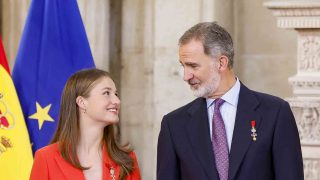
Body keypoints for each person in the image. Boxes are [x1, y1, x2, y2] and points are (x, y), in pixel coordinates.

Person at [157, 22, 303, 180]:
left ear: (221, 63)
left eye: (193, 66)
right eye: (183, 66)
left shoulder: (275, 113)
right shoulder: (174, 125)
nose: (186, 76)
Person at [30, 68, 141, 180]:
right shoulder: (46, 158)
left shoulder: (127, 159)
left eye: (116, 94)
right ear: (82, 102)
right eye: (106, 93)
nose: (117, 101)